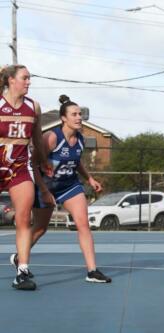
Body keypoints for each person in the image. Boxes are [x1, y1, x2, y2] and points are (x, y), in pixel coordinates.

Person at [19, 95, 111, 283]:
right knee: (40, 229)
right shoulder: (51, 137)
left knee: (83, 224)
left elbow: (76, 163)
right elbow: (33, 164)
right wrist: (44, 190)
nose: (79, 117)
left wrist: (90, 178)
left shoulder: (80, 140)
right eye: (74, 114)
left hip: (69, 185)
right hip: (45, 186)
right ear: (63, 118)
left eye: (80, 114)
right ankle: (20, 258)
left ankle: (92, 271)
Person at [1, 64, 50, 290]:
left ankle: (22, 272)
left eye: (30, 78)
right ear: (11, 80)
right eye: (25, 78)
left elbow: (37, 139)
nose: (29, 82)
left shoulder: (34, 107)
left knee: (24, 218)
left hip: (19, 168)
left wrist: (43, 161)